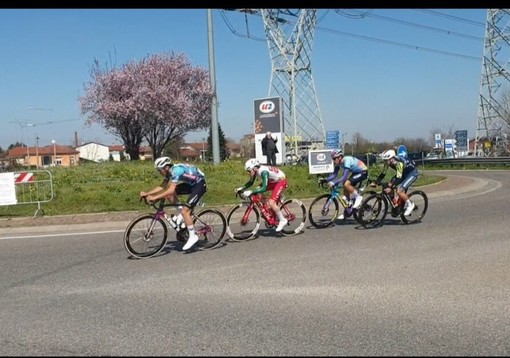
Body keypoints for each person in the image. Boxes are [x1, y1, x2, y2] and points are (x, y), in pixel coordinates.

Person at [140, 156, 207, 251]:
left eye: (160, 170)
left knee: (185, 211)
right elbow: (162, 186)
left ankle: (193, 236)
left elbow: (170, 190)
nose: (159, 172)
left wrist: (155, 197)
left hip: (199, 184)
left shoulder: (177, 171)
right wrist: (148, 193)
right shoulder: (169, 172)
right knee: (169, 196)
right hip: (190, 184)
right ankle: (182, 214)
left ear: (166, 167)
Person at [234, 158, 288, 232]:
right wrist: (242, 188)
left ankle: (282, 220)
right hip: (273, 181)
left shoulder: (264, 172)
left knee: (271, 202)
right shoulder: (255, 171)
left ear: (254, 168)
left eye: (249, 171)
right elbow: (250, 183)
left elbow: (264, 187)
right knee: (258, 190)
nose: (248, 173)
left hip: (281, 181)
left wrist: (251, 191)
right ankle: (267, 210)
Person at [318, 149, 368, 220]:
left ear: (340, 157)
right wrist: (325, 180)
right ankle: (348, 211)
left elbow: (344, 176)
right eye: (333, 159)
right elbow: (334, 175)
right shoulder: (338, 164)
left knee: (346, 184)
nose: (334, 160)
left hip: (363, 172)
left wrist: (334, 182)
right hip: (356, 173)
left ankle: (358, 197)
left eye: (335, 158)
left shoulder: (346, 160)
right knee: (345, 190)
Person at [371, 149, 419, 216]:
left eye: (386, 160)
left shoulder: (398, 163)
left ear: (391, 159)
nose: (385, 162)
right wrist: (376, 182)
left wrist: (392, 186)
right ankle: (395, 204)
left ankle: (410, 204)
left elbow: (398, 177)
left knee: (399, 191)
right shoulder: (388, 162)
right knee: (388, 185)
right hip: (402, 173)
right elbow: (383, 173)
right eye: (384, 160)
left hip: (411, 173)